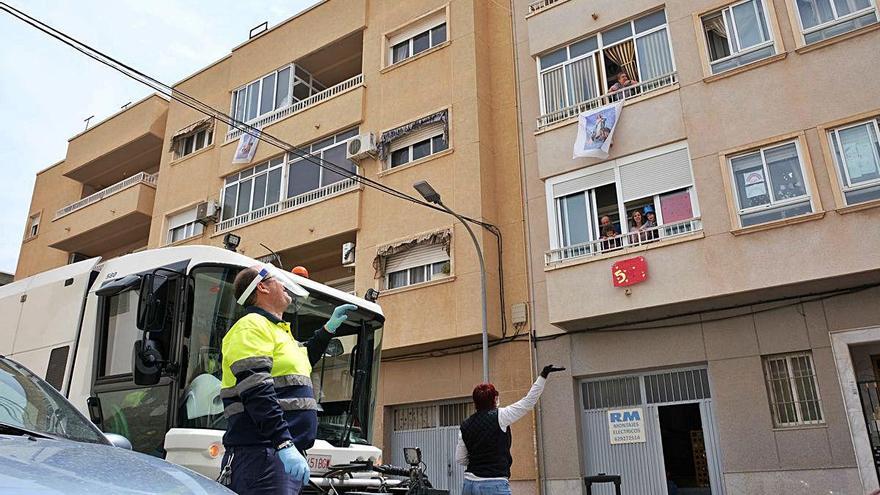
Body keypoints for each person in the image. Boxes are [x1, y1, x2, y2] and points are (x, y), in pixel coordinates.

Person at [218, 266, 357, 494]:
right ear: (262, 287)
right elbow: (257, 391)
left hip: (277, 454)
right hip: (262, 454)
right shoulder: (251, 325)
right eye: (277, 280)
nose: (284, 285)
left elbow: (302, 360)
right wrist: (284, 443)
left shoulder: (279, 333)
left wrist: (328, 330)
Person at [455, 364, 566, 495]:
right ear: (494, 399)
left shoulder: (465, 425)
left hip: (470, 485)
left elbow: (460, 459)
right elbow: (528, 402)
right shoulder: (501, 416)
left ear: (475, 402)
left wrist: (479, 460)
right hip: (494, 483)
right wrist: (543, 375)